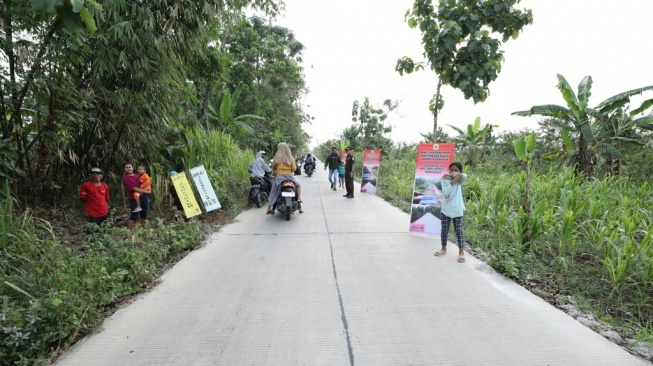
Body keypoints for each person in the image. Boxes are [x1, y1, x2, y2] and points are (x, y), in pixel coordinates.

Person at [434, 162, 468, 263]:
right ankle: (443, 249)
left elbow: (465, 176)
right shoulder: (444, 180)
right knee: (444, 230)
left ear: (460, 171)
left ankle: (461, 252)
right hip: (446, 209)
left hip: (457, 209)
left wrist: (456, 176)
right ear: (448, 170)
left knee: (459, 231)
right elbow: (446, 193)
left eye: (456, 170)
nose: (453, 172)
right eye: (451, 170)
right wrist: (452, 181)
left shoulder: (460, 180)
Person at [267, 142, 303, 214]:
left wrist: (277, 170)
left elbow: (273, 167)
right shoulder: (291, 157)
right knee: (298, 185)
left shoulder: (276, 157)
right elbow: (294, 168)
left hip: (280, 177)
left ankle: (269, 208)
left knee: (273, 191)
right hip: (290, 177)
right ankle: (298, 199)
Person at [122, 163, 151, 229]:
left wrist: (148, 189)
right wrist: (148, 192)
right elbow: (134, 188)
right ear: (124, 169)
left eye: (130, 167)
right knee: (134, 216)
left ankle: (142, 232)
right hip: (134, 199)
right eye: (126, 167)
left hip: (144, 198)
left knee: (143, 215)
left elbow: (146, 182)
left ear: (132, 168)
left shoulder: (138, 176)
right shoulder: (125, 178)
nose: (128, 168)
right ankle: (128, 233)